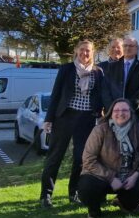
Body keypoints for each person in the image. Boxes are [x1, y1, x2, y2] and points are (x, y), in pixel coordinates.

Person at [40, 40, 113, 208]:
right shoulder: (66, 69)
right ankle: (46, 195)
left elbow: (101, 96)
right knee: (55, 156)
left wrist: (108, 115)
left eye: (88, 51)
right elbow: (56, 94)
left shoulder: (98, 72)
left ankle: (74, 192)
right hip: (65, 117)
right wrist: (48, 119)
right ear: (76, 51)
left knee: (81, 158)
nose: (85, 54)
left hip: (86, 118)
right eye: (82, 50)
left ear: (92, 53)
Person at [78, 98, 139, 218]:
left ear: (130, 113)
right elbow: (88, 160)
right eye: (116, 110)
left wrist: (136, 175)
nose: (120, 113)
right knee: (87, 185)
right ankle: (94, 209)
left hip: (128, 178)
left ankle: (124, 202)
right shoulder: (100, 130)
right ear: (111, 113)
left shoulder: (138, 129)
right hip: (102, 177)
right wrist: (111, 178)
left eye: (124, 110)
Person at [109, 37, 139, 126]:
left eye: (131, 46)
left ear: (137, 49)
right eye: (125, 46)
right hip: (113, 113)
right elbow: (105, 89)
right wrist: (113, 107)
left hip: (135, 113)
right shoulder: (112, 67)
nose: (128, 48)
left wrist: (128, 107)